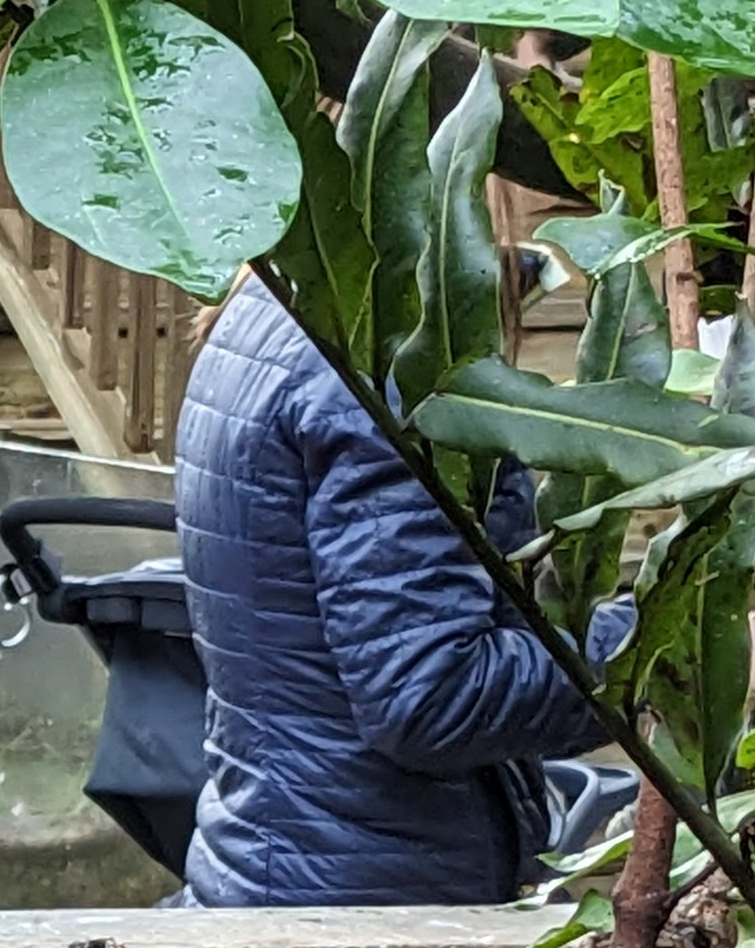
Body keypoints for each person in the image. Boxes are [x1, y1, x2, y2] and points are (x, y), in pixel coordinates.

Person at [175, 278, 611, 905]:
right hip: (364, 899)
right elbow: (429, 695)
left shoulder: (270, 304)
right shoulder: (386, 354)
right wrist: (667, 644)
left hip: (277, 866)